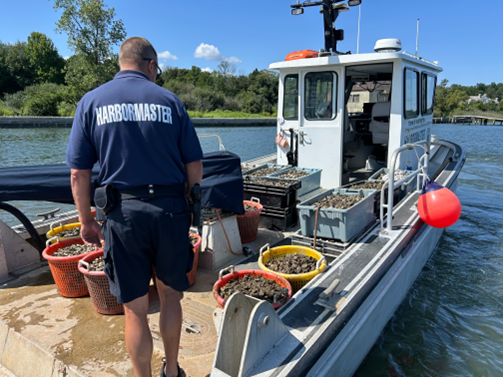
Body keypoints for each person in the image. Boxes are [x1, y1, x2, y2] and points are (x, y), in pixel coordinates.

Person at [66, 36, 203, 377]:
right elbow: (195, 166)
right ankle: (171, 371)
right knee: (171, 297)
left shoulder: (91, 102)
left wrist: (86, 221)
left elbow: (78, 174)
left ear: (121, 63)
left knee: (135, 310)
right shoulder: (170, 102)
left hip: (122, 215)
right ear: (151, 66)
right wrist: (190, 205)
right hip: (170, 210)